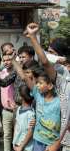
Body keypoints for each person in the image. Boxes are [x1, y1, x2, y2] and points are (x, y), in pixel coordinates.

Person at [22, 23, 70, 151]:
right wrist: (32, 37)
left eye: (51, 52)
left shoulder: (63, 74)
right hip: (52, 137)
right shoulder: (60, 76)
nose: (48, 55)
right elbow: (43, 61)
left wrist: (33, 37)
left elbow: (44, 60)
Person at [0, 52, 16, 151]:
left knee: (18, 135)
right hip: (6, 110)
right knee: (7, 135)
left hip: (18, 110)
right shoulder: (2, 72)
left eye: (8, 60)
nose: (6, 62)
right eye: (4, 60)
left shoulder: (18, 73)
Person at [13, 85, 35, 151]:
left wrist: (21, 146)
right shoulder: (19, 108)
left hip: (26, 147)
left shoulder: (31, 113)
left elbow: (30, 132)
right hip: (17, 144)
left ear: (21, 97)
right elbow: (16, 125)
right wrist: (14, 141)